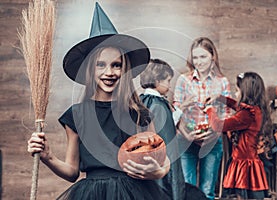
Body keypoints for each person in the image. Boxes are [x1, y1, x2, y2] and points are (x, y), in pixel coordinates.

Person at [27, 33, 172, 200]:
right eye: (100, 65)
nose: (109, 72)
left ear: (125, 70)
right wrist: (48, 156)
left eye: (116, 65)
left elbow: (162, 157)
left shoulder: (139, 113)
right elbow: (72, 172)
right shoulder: (76, 115)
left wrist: (158, 172)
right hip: (92, 194)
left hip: (134, 192)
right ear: (90, 69)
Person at [139, 58, 207, 200]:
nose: (170, 86)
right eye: (168, 81)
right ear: (158, 81)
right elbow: (166, 132)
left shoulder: (142, 100)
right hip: (162, 167)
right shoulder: (159, 104)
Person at [173, 37, 231, 200]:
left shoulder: (222, 82)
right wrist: (186, 133)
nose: (198, 61)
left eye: (203, 56)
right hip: (186, 140)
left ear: (213, 57)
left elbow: (227, 114)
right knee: (186, 188)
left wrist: (214, 131)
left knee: (207, 190)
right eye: (195, 57)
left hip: (212, 141)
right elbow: (175, 112)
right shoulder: (184, 80)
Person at [204, 72, 271, 200]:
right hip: (247, 162)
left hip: (244, 167)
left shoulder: (247, 115)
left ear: (246, 92)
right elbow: (237, 106)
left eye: (237, 90)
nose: (235, 94)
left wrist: (210, 110)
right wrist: (220, 98)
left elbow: (218, 125)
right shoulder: (254, 109)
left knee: (243, 196)